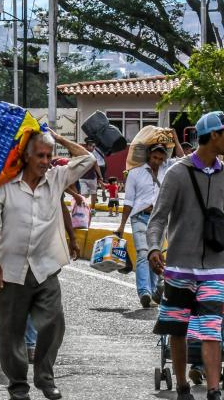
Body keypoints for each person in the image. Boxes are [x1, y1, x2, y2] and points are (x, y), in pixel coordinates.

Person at [0, 129, 95, 400]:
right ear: (26, 156)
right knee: (11, 332)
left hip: (46, 267)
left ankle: (45, 377)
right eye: (40, 155)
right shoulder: (6, 185)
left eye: (49, 155)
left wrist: (59, 138)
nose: (45, 161)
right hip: (11, 270)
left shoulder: (56, 179)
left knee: (53, 323)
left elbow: (89, 159)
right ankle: (18, 385)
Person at [147, 111, 224, 400]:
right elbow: (157, 218)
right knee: (177, 328)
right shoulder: (177, 173)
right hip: (179, 267)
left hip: (215, 268)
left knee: (211, 329)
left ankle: (214, 390)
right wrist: (154, 247)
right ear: (214, 135)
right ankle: (181, 386)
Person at [116, 137, 184, 308]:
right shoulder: (135, 173)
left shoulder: (167, 170)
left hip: (159, 220)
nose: (157, 162)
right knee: (142, 253)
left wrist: (175, 137)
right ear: (148, 156)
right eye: (155, 158)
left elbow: (183, 159)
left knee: (156, 256)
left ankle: (154, 292)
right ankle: (144, 292)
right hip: (139, 217)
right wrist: (122, 225)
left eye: (161, 159)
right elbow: (129, 202)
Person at [78, 138, 103, 216]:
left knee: (93, 193)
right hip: (82, 178)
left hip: (92, 177)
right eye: (92, 146)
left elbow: (96, 166)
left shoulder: (93, 155)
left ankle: (92, 209)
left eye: (94, 146)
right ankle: (83, 208)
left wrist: (100, 177)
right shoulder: (82, 154)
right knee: (84, 194)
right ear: (88, 146)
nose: (94, 148)